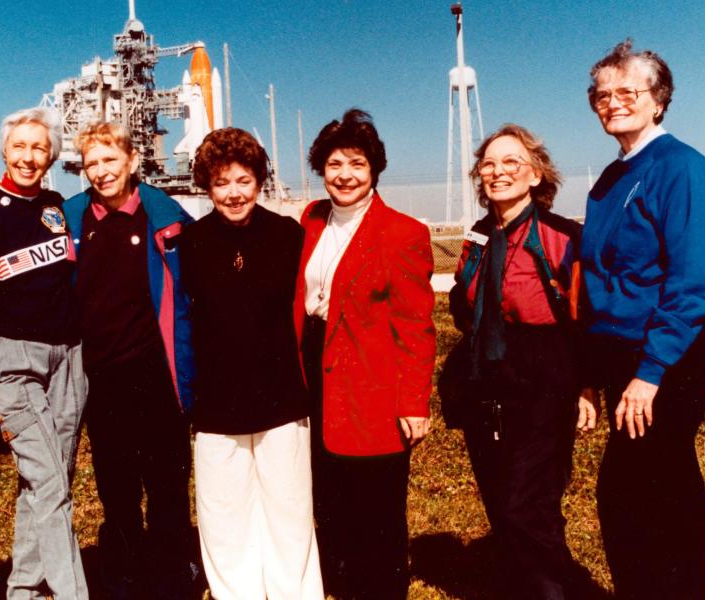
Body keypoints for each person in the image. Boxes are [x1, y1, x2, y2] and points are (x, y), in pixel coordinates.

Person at [580, 40, 705, 599]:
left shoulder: (681, 168)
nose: (613, 102)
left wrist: (651, 371)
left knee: (655, 482)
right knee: (626, 491)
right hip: (623, 351)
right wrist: (591, 375)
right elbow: (601, 283)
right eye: (602, 94)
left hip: (675, 347)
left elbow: (695, 285)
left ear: (658, 100)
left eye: (627, 92)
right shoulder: (610, 180)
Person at [296, 109, 436, 599]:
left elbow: (417, 328)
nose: (345, 175)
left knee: (375, 503)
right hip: (315, 371)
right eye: (335, 164)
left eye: (356, 163)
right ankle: (340, 583)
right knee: (327, 493)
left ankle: (379, 587)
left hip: (371, 381)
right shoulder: (311, 219)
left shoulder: (401, 233)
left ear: (374, 168)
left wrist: (414, 402)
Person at [448, 124, 593, 599]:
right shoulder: (477, 236)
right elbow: (461, 301)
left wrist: (587, 386)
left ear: (535, 175)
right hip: (485, 378)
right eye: (489, 163)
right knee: (498, 497)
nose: (498, 171)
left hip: (544, 377)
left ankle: (561, 590)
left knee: (525, 503)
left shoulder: (562, 237)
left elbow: (586, 315)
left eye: (512, 162)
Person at [180, 127, 324, 600]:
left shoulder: (288, 236)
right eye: (222, 183)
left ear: (259, 181)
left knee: (289, 509)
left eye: (244, 180)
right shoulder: (191, 242)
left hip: (281, 400)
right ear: (207, 186)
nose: (234, 192)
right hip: (216, 405)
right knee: (223, 514)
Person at [0, 107, 88, 599]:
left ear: (51, 154)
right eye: (20, 147)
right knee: (51, 484)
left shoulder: (55, 205)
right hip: (13, 363)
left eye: (39, 148)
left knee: (48, 480)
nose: (29, 157)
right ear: (4, 151)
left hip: (68, 360)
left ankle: (24, 590)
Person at [62, 121, 198, 599]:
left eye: (110, 160)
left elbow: (193, 295)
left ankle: (171, 577)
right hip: (102, 379)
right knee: (116, 487)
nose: (101, 171)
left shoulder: (166, 216)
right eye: (91, 163)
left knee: (166, 484)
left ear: (132, 160)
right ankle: (122, 575)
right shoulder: (72, 218)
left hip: (157, 377)